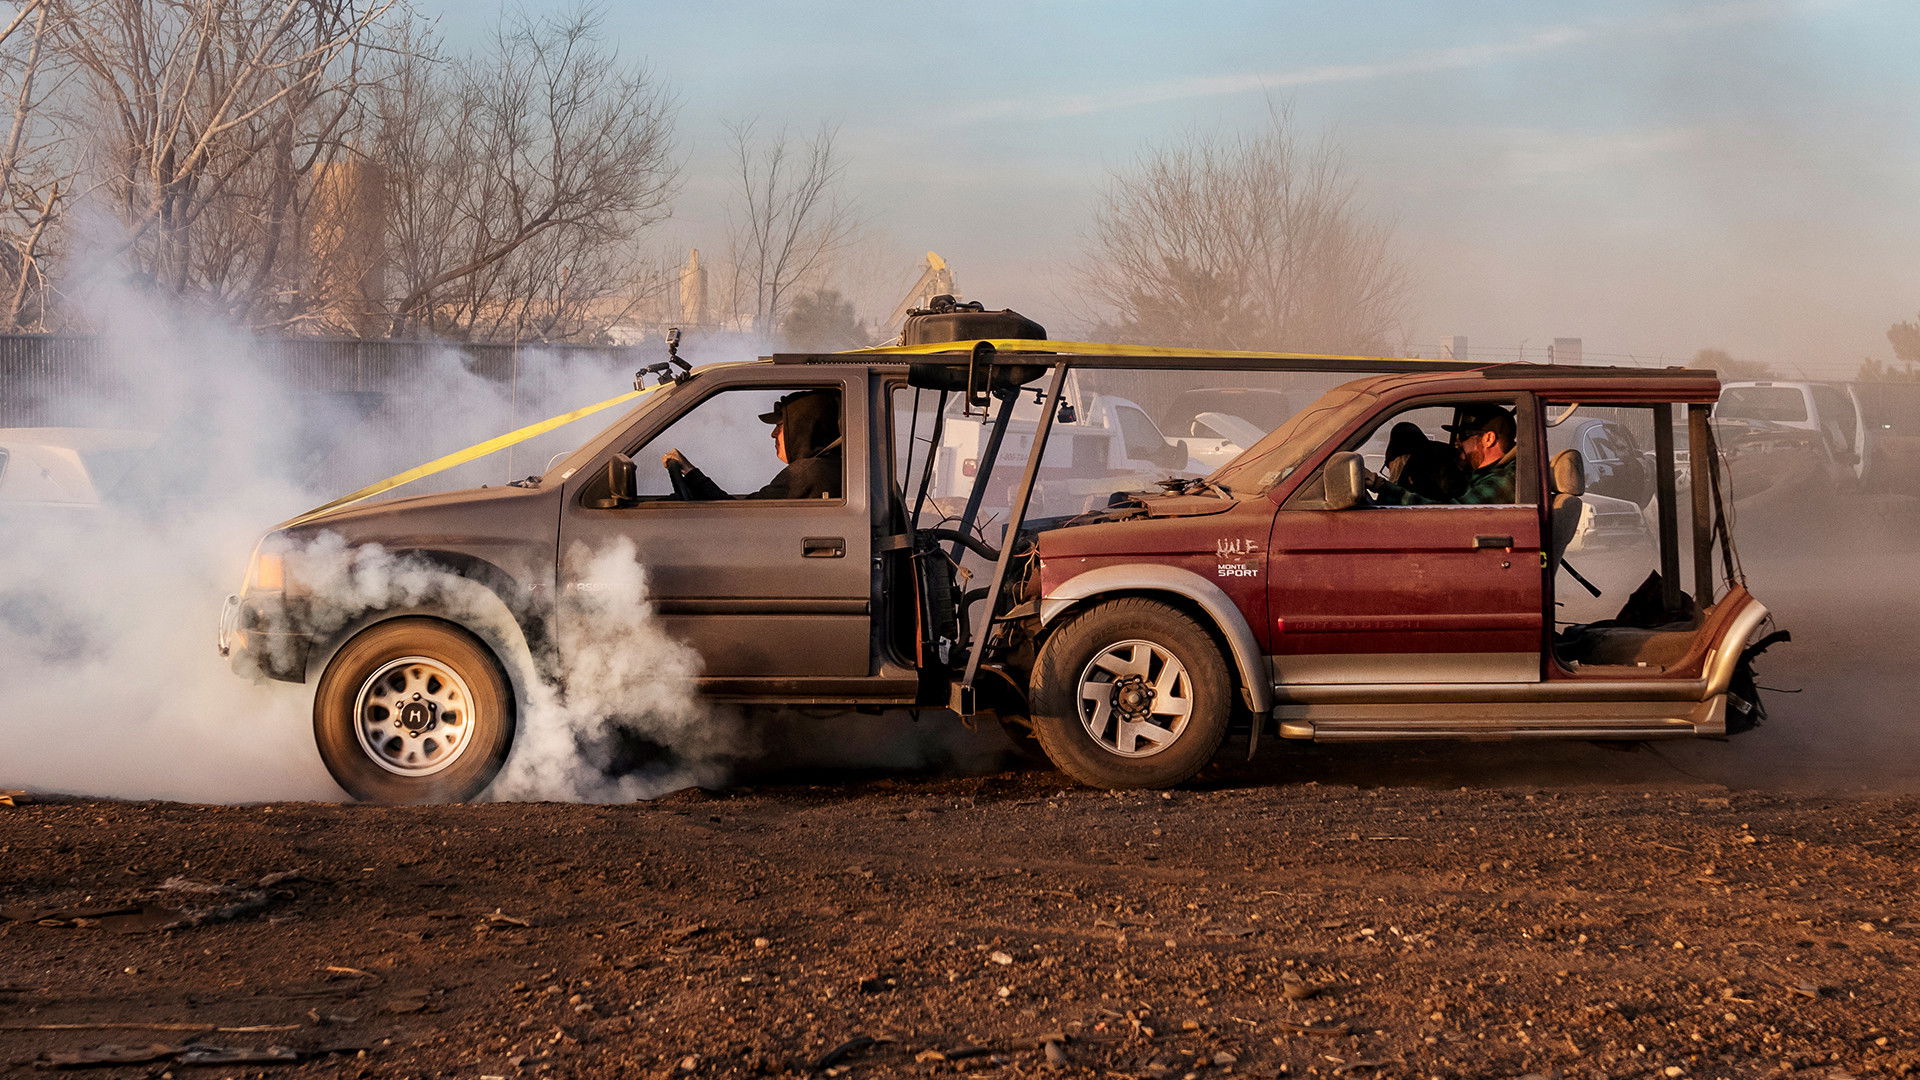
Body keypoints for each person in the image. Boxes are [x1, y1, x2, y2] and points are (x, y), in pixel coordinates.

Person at [661, 389, 843, 500]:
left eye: (780, 426)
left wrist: (691, 473)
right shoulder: (828, 467)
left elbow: (738, 517)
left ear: (802, 428)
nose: (773, 434)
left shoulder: (807, 473)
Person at [1368, 404, 1518, 505]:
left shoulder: (1504, 481)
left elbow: (1450, 515)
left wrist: (1380, 485)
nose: (1457, 443)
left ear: (1488, 439)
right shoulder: (1482, 472)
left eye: (1464, 436)